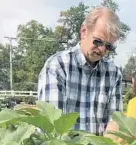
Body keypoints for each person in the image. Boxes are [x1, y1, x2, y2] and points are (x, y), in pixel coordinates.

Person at [37, 7, 123, 136]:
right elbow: (52, 126)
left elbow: (115, 122)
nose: (101, 49)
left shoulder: (113, 74)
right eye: (98, 41)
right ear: (83, 32)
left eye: (108, 46)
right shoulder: (58, 66)